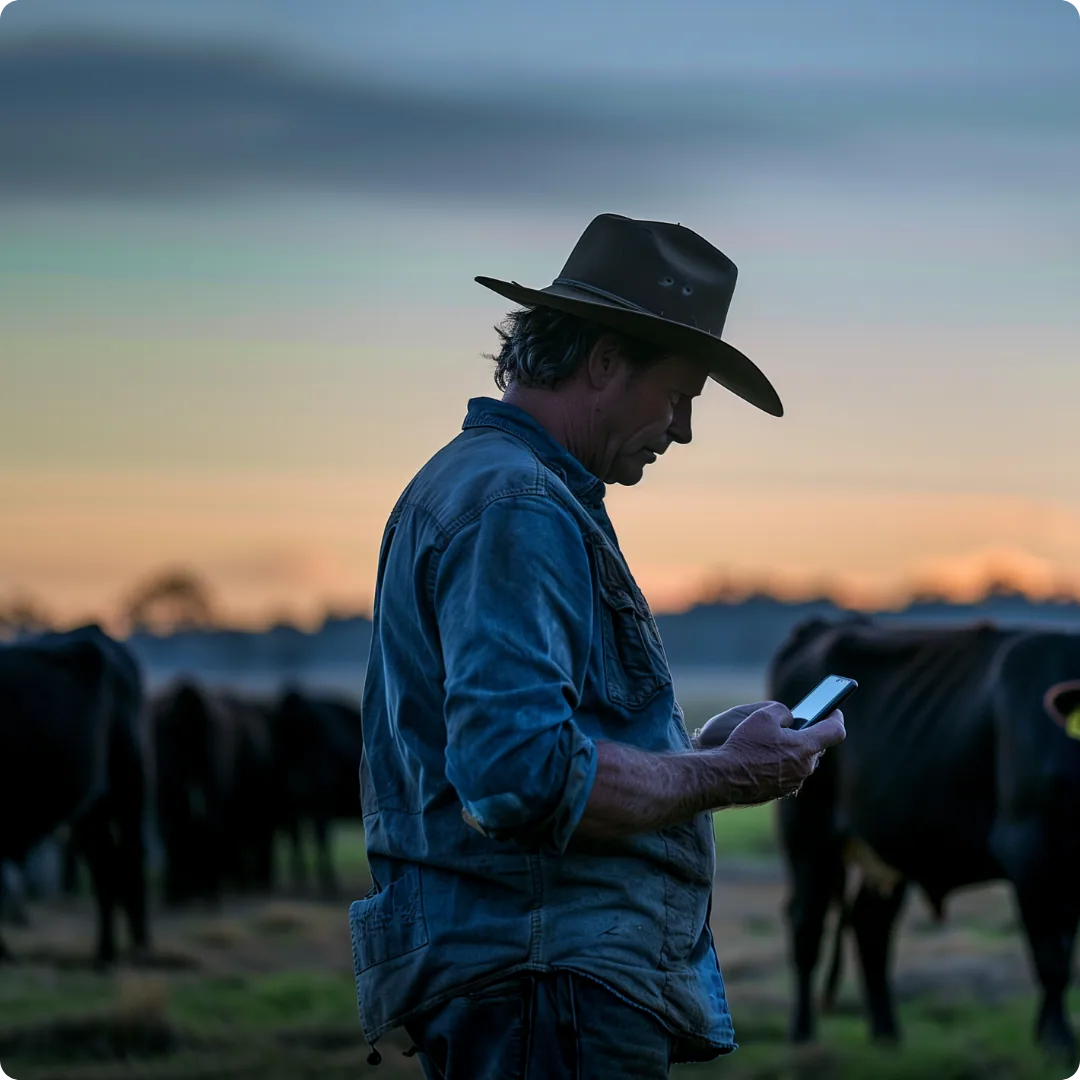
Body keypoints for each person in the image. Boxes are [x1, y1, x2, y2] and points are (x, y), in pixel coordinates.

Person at [350, 213, 846, 1079]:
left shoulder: (481, 487)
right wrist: (729, 777)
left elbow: (532, 758)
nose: (684, 428)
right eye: (680, 391)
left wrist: (687, 754)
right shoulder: (520, 507)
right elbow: (520, 776)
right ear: (606, 361)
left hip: (528, 982)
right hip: (547, 984)